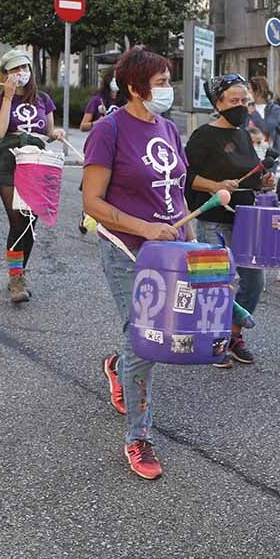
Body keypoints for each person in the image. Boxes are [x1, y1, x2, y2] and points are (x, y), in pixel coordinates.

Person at [83, 46, 192, 480]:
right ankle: (138, 437)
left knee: (158, 331)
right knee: (144, 336)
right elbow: (92, 201)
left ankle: (117, 366)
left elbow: (177, 189)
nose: (168, 90)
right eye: (161, 82)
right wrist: (144, 228)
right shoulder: (109, 130)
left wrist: (190, 241)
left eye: (168, 81)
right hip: (126, 247)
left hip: (169, 248)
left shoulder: (168, 128)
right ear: (134, 87)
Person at [184, 73, 275, 368]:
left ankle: (234, 335)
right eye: (234, 100)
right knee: (215, 284)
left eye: (244, 101)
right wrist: (215, 185)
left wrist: (264, 182)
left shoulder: (243, 134)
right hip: (213, 219)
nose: (240, 106)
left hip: (247, 221)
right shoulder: (203, 136)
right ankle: (212, 340)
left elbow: (250, 172)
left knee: (254, 280)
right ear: (218, 102)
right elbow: (186, 178)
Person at [0, 49, 65, 304]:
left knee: (30, 224)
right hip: (9, 161)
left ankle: (18, 272)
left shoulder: (43, 99)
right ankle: (16, 279)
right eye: (14, 70)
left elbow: (49, 130)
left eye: (24, 68)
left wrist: (58, 133)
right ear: (6, 74)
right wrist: (8, 98)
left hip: (37, 163)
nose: (20, 74)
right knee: (17, 220)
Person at [76, 67, 124, 232]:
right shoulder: (97, 100)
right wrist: (99, 124)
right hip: (100, 146)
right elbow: (83, 125)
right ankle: (87, 214)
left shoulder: (125, 102)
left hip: (121, 147)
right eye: (114, 77)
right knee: (95, 184)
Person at [248, 75, 280, 154]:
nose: (247, 92)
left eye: (249, 89)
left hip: (268, 154)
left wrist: (254, 113)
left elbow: (267, 128)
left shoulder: (274, 109)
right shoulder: (246, 107)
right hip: (249, 154)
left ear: (258, 91)